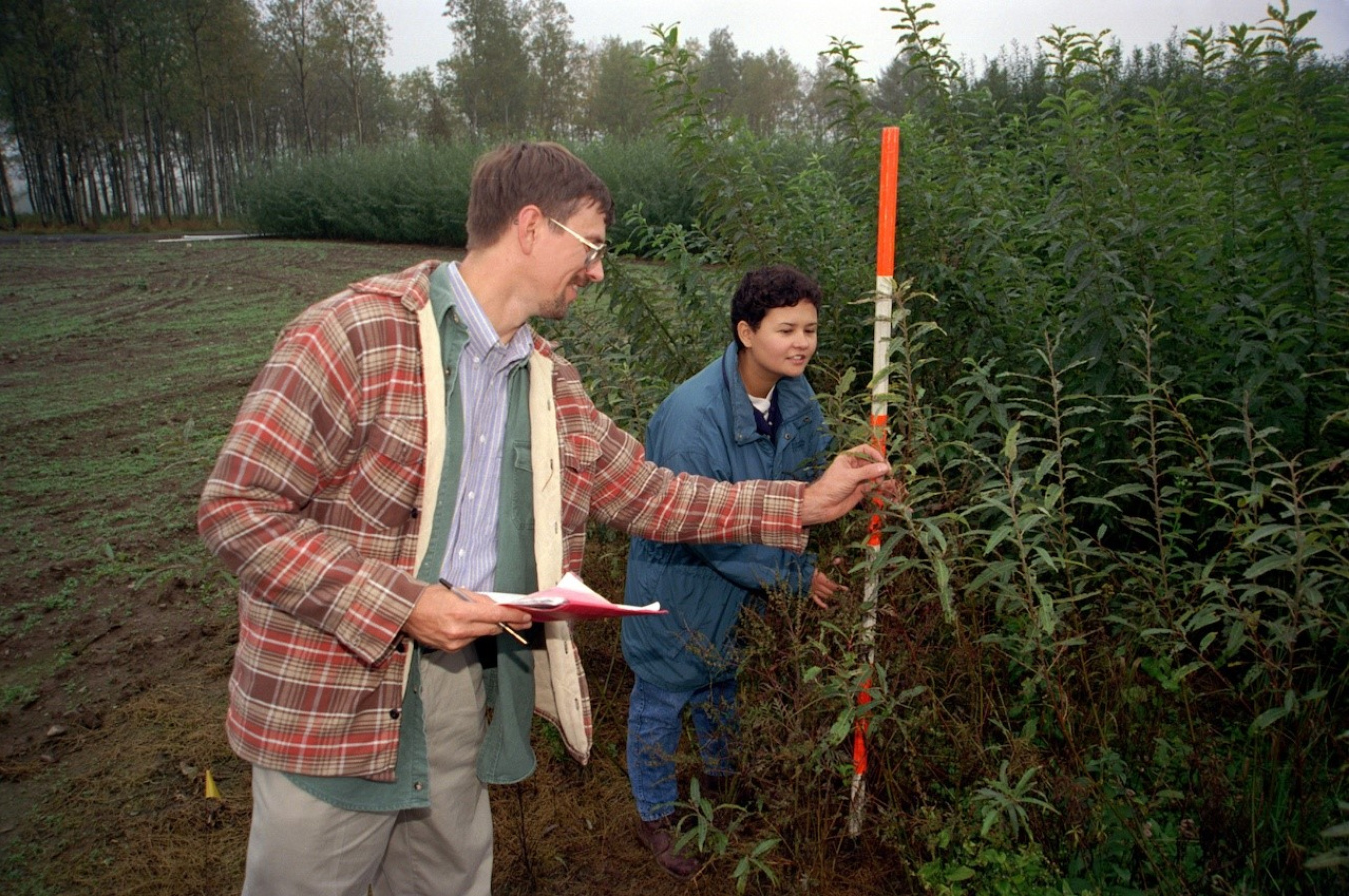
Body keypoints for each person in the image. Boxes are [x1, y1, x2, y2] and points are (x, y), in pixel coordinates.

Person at [197, 141, 891, 896]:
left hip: (460, 690)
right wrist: (403, 602)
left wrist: (807, 502)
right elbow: (238, 510)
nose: (597, 270)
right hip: (328, 704)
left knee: (448, 881)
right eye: (590, 247)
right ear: (531, 227)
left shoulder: (549, 379)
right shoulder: (355, 335)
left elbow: (655, 492)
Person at [621, 264, 845, 878]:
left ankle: (723, 790)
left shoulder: (793, 392)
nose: (802, 343)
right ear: (747, 333)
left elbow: (815, 472)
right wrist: (798, 577)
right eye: (786, 329)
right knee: (662, 702)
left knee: (722, 689)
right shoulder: (693, 418)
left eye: (811, 329)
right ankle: (657, 816)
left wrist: (864, 483)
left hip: (741, 591)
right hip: (678, 587)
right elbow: (702, 530)